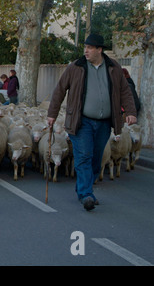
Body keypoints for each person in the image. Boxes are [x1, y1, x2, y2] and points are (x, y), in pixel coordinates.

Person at [47, 33, 137, 211]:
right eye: (85, 48)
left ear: (99, 50)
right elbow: (59, 89)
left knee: (97, 159)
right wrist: (52, 114)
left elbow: (125, 91)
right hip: (81, 121)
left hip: (104, 122)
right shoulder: (76, 67)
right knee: (84, 156)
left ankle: (83, 188)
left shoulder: (113, 67)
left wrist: (131, 112)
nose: (86, 51)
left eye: (89, 48)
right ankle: (86, 194)